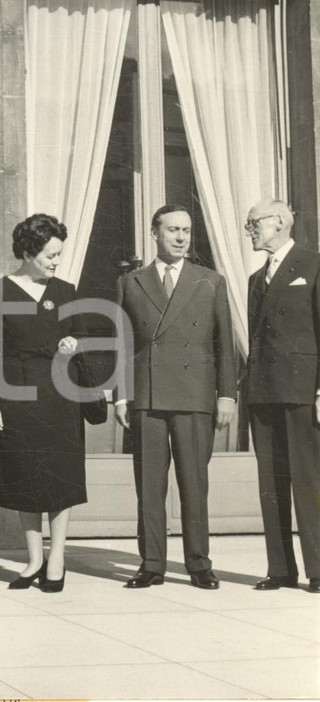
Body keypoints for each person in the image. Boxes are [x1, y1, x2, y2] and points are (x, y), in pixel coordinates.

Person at [114, 204, 237, 590]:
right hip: (148, 395)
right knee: (149, 485)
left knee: (193, 482)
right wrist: (121, 396)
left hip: (196, 393)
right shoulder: (131, 282)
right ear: (155, 233)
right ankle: (151, 564)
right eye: (172, 230)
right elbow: (122, 343)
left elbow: (224, 344)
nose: (181, 238)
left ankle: (199, 563)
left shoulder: (211, 280)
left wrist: (227, 395)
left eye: (186, 230)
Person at [0, 214, 87, 594]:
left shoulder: (67, 291)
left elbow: (84, 340)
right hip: (16, 394)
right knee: (25, 475)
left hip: (60, 394)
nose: (56, 262)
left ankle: (57, 558)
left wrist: (73, 347)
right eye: (49, 256)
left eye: (59, 255)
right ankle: (34, 558)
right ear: (27, 251)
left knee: (60, 475)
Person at [244, 198, 320, 593]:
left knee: (308, 480)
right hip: (262, 390)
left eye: (254, 222)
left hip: (301, 389)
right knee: (270, 483)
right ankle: (280, 569)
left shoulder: (313, 263)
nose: (249, 230)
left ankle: (318, 569)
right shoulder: (256, 279)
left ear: (280, 222)